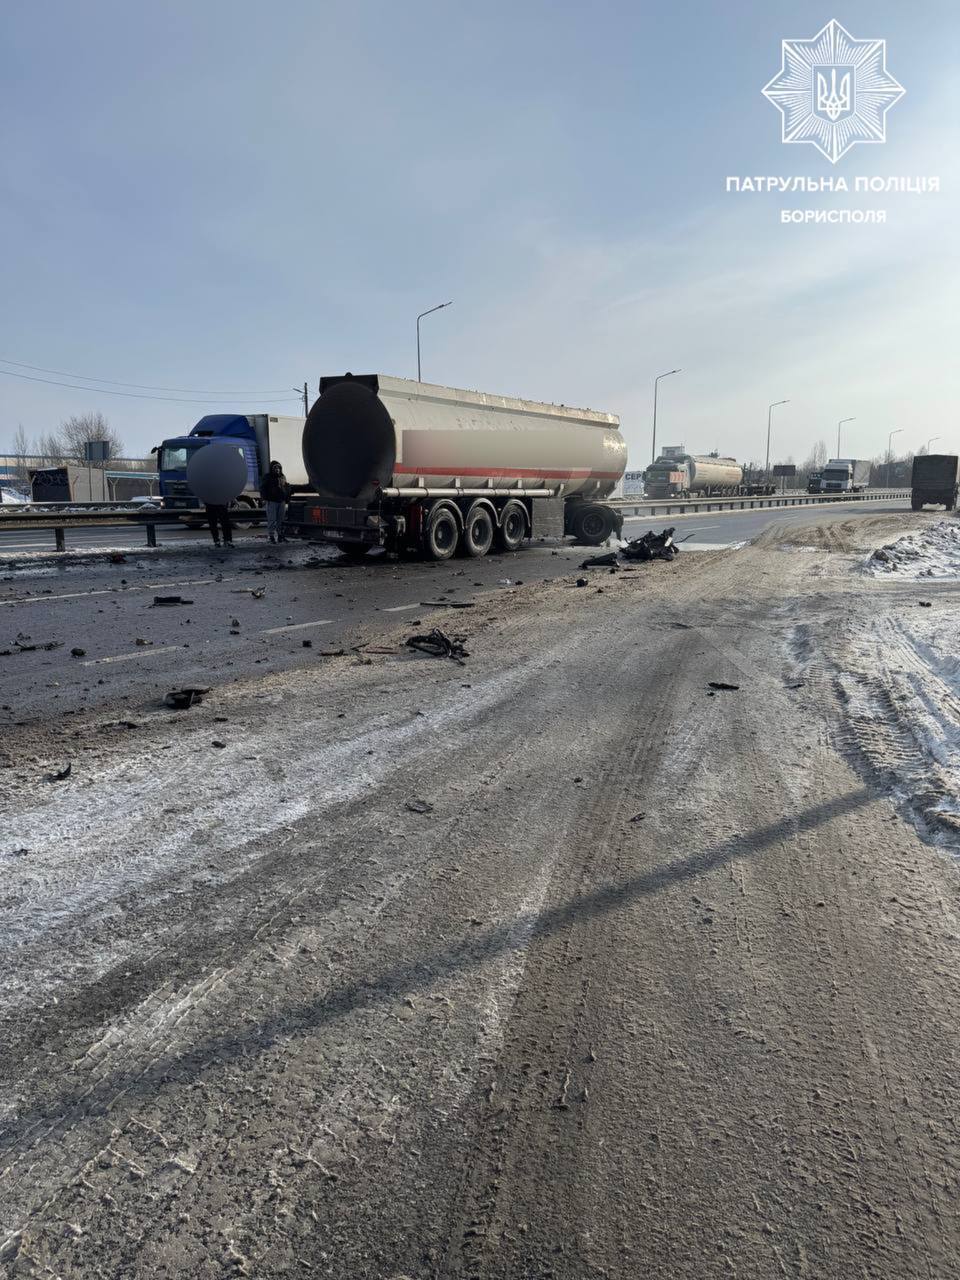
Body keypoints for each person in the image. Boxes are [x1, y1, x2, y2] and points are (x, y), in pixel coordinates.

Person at [260, 460, 291, 544]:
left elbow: (286, 488)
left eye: (278, 467)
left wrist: (287, 498)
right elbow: (263, 488)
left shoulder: (282, 477)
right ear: (272, 468)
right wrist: (265, 498)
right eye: (275, 467)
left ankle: (280, 536)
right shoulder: (267, 477)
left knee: (281, 520)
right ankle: (271, 537)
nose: (277, 469)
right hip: (272, 502)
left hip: (281, 502)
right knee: (272, 520)